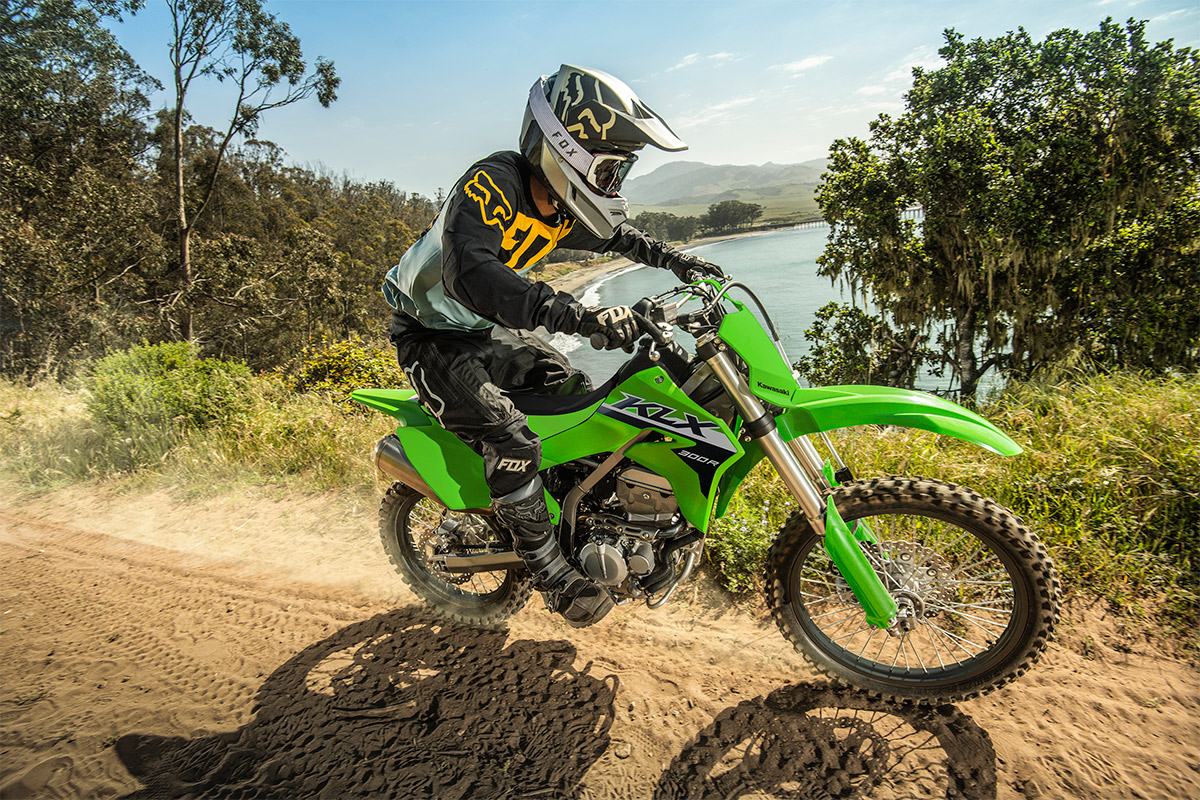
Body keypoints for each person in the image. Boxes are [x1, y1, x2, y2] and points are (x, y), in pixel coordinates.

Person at [382, 64, 723, 627]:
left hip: (487, 332)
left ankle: (583, 521)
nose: (614, 186)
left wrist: (676, 259)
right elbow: (471, 272)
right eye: (611, 170)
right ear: (568, 152)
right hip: (431, 338)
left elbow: (616, 236)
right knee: (511, 436)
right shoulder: (495, 183)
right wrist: (574, 313)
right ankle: (548, 571)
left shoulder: (563, 208)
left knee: (577, 402)